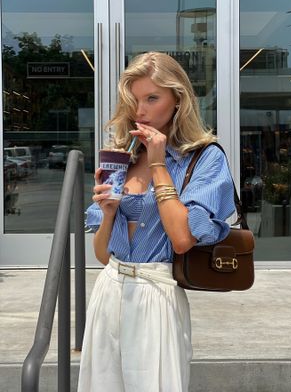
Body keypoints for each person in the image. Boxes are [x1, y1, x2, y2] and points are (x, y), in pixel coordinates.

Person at [77, 51, 236, 392]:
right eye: (134, 100)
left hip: (157, 294)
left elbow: (182, 239)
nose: (141, 111)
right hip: (109, 291)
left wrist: (159, 163)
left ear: (178, 100)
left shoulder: (205, 158)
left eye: (152, 98)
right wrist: (107, 215)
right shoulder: (123, 155)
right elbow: (104, 256)